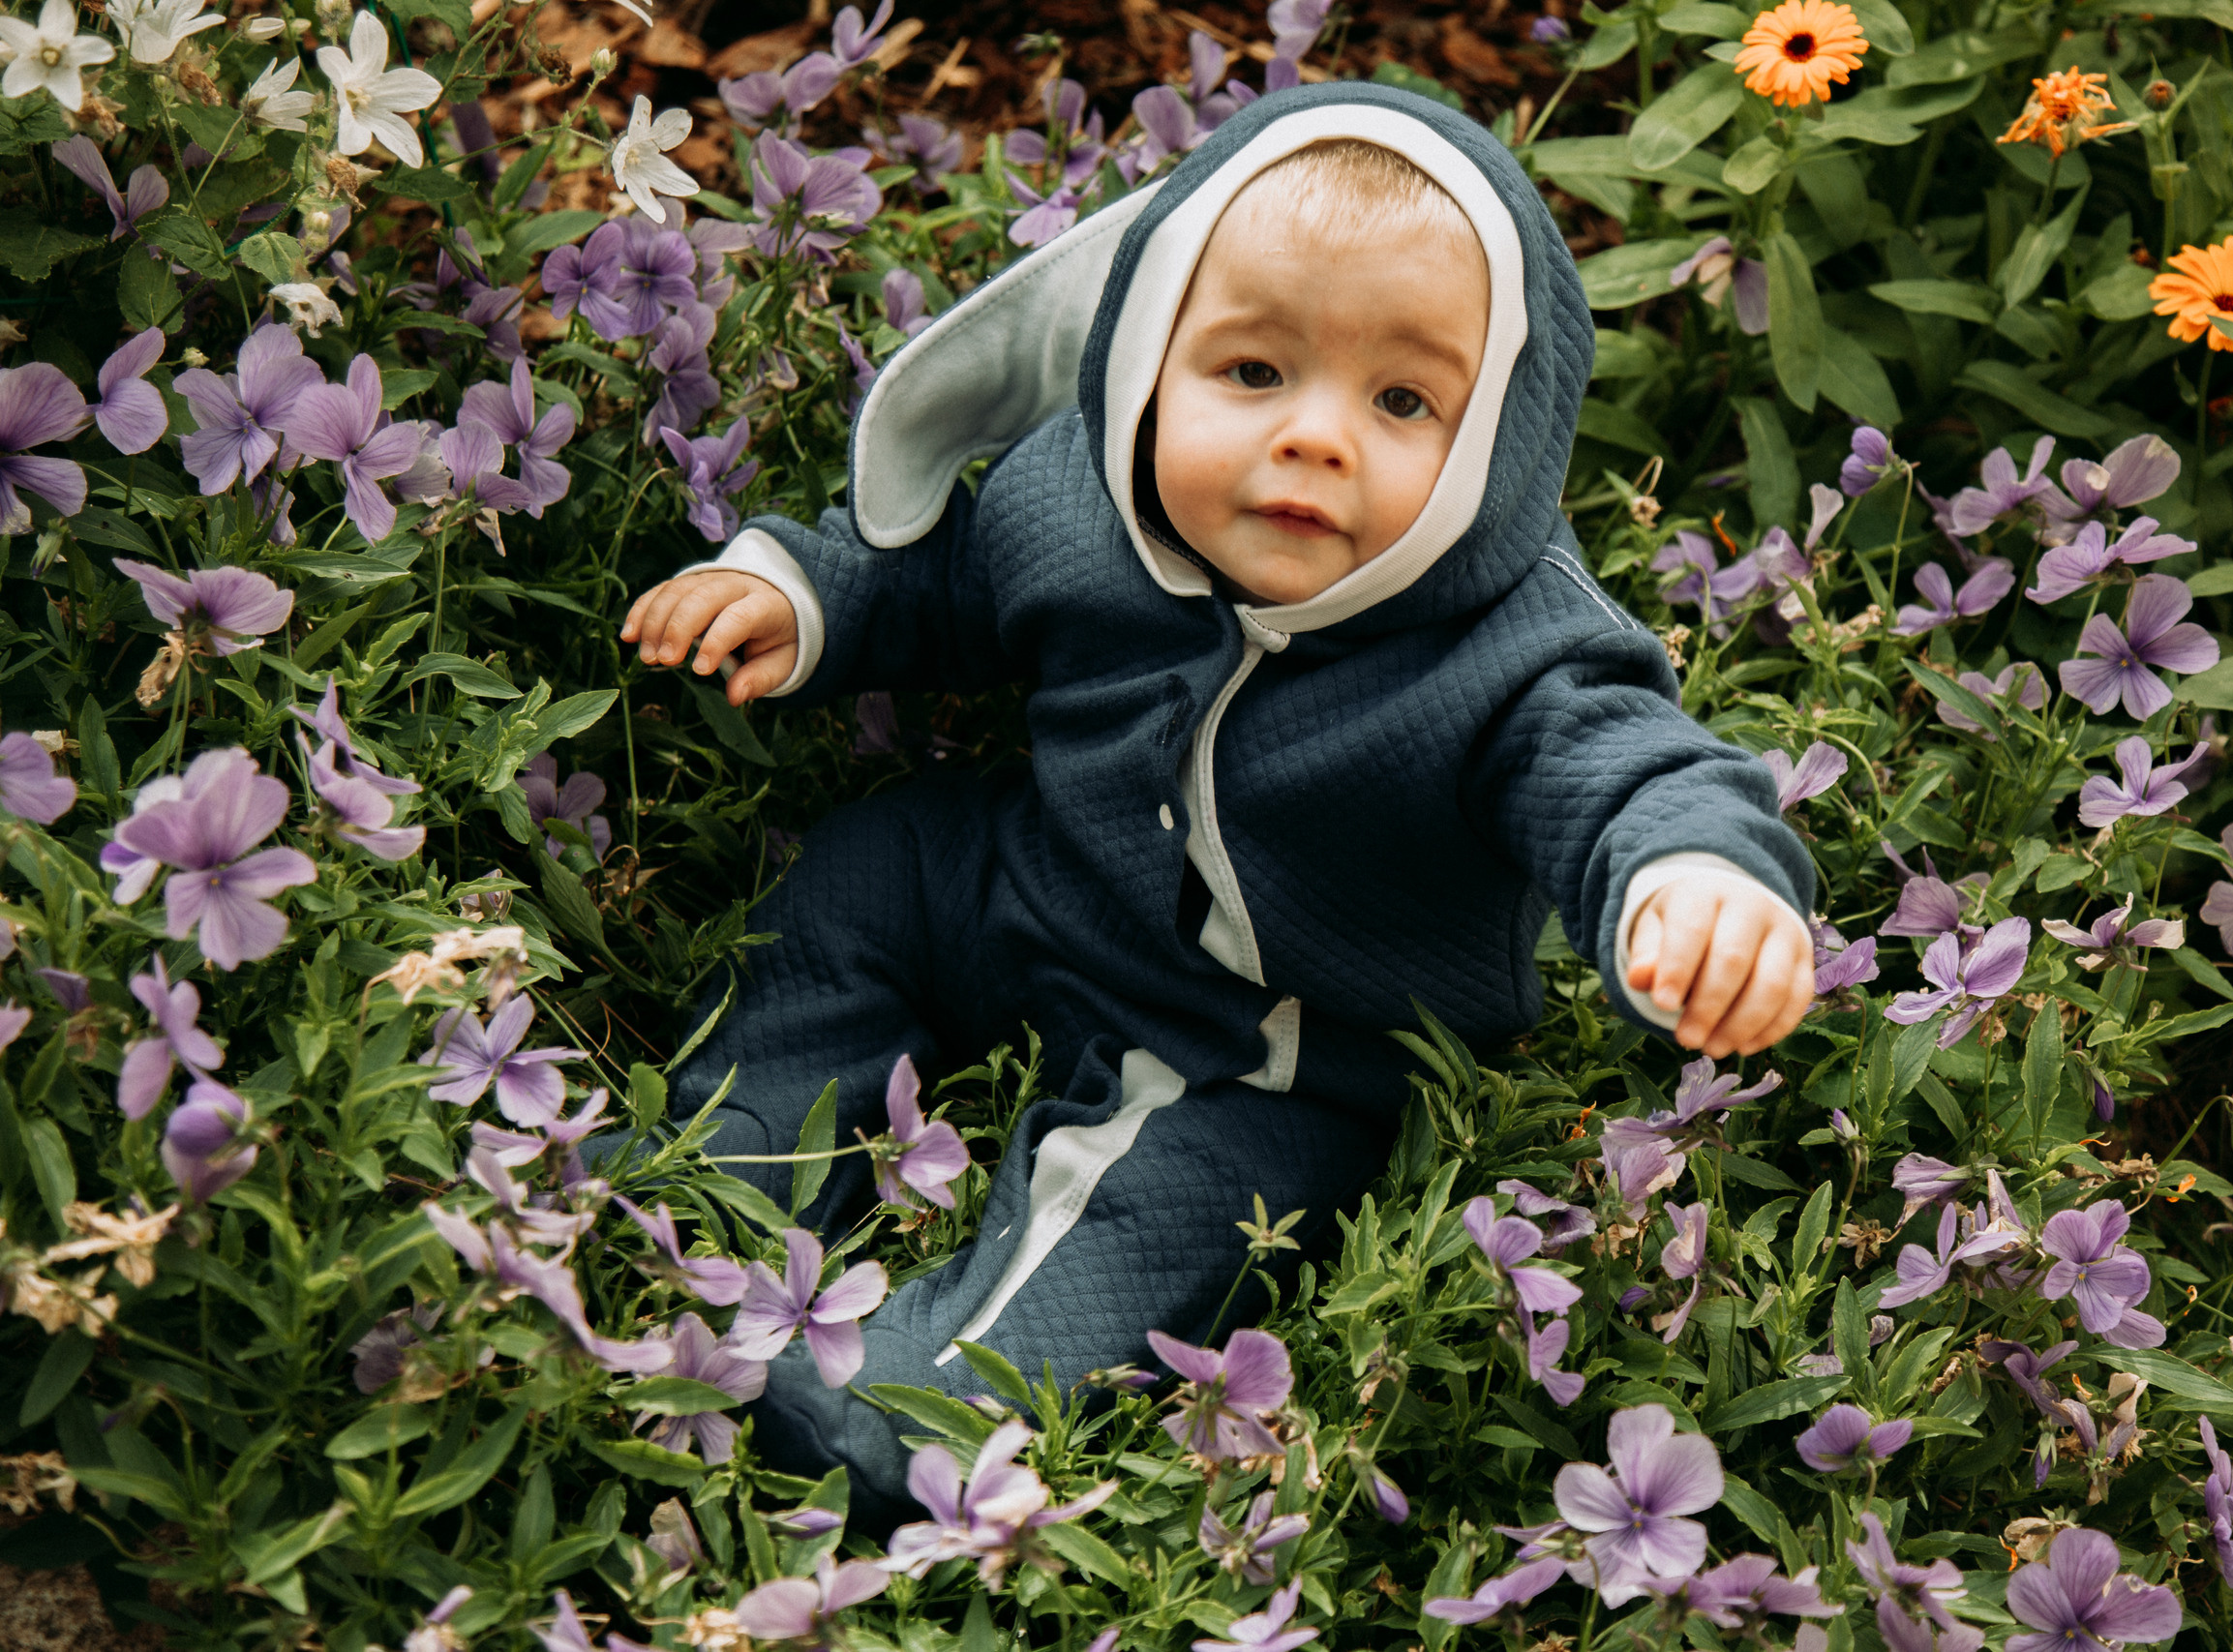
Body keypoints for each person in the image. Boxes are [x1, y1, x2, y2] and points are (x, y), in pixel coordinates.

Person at [619, 82, 1816, 1524]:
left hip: (1266, 1043)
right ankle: (717, 1184)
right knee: (873, 867)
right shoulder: (1080, 499)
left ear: (1499, 438)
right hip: (1033, 881)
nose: (1315, 437)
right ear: (1144, 355)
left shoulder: (1513, 650)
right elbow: (945, 580)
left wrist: (1695, 877)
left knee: (1148, 1213)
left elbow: (1629, 769)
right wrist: (806, 595)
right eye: (1252, 370)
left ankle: (913, 1409)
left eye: (1402, 401)